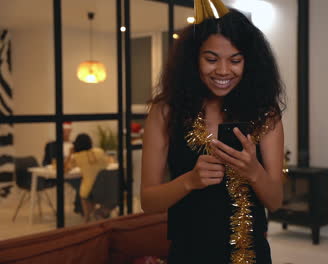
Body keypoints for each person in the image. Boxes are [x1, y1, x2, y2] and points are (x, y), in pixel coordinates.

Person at [141, 1, 285, 263]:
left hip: (250, 257)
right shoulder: (165, 112)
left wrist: (254, 171)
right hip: (188, 253)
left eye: (235, 60)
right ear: (193, 59)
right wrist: (189, 181)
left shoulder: (266, 114)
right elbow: (148, 201)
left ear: (249, 62)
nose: (222, 71)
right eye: (211, 59)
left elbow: (275, 201)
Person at [65, 133, 109, 222]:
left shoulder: (78, 156)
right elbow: (108, 162)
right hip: (105, 186)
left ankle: (87, 217)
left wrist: (70, 154)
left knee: (82, 189)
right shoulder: (99, 151)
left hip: (90, 189)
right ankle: (98, 212)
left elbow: (65, 169)